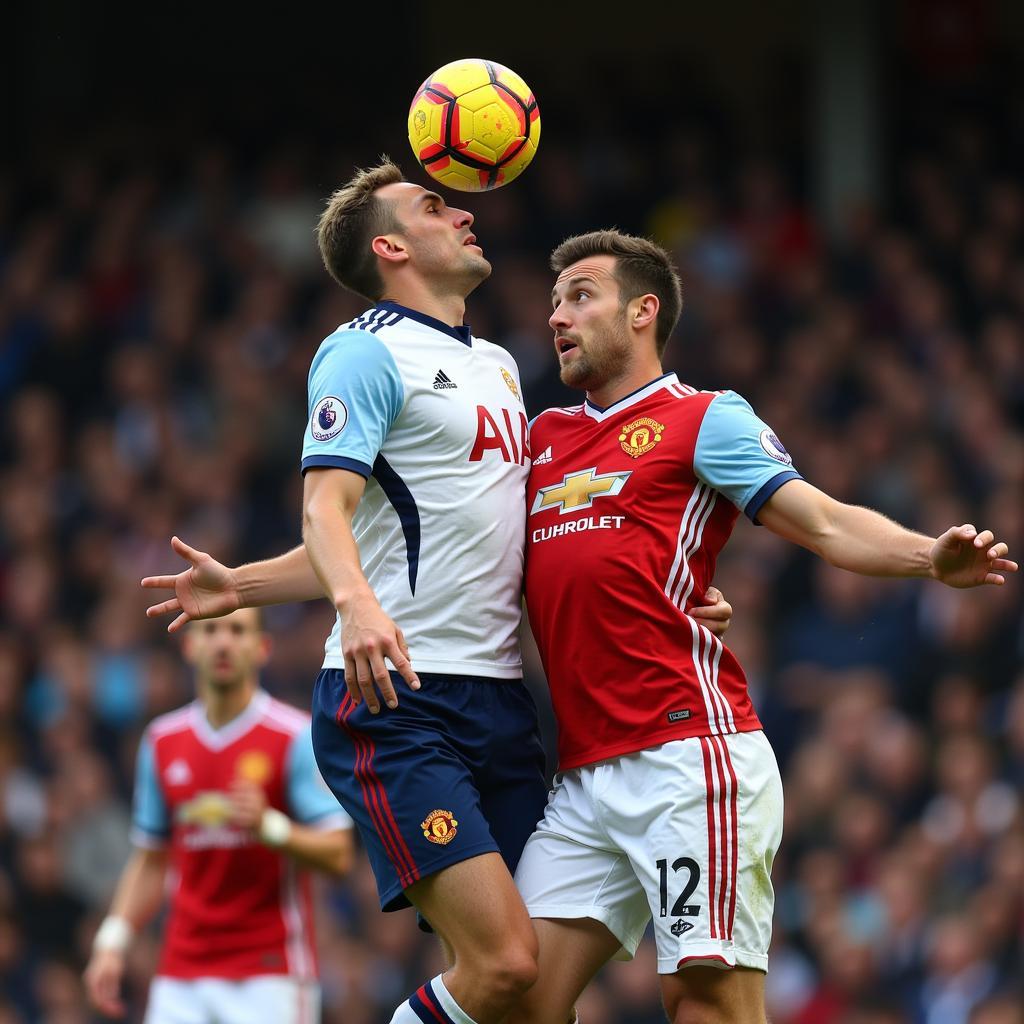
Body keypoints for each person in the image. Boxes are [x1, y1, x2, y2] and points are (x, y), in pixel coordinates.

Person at [138, 161, 734, 1024]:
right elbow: (325, 508)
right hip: (395, 701)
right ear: (389, 246)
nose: (461, 212)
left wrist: (247, 587)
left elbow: (421, 541)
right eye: (432, 205)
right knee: (505, 965)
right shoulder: (363, 351)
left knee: (531, 996)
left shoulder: (495, 365)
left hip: (498, 705)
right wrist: (355, 606)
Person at [503, 229, 1018, 1024]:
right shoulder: (541, 439)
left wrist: (927, 558)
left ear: (643, 312)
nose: (558, 318)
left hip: (687, 757)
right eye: (553, 303)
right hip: (583, 776)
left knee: (707, 1006)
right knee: (519, 994)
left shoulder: (703, 418)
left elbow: (824, 523)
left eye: (580, 296)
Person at [83, 608, 354, 1023]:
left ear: (262, 648)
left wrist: (271, 828)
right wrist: (113, 939)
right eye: (211, 630)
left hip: (269, 972)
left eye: (237, 630)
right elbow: (152, 858)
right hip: (181, 974)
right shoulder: (161, 741)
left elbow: (338, 854)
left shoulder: (293, 736)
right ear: (190, 646)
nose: (223, 642)